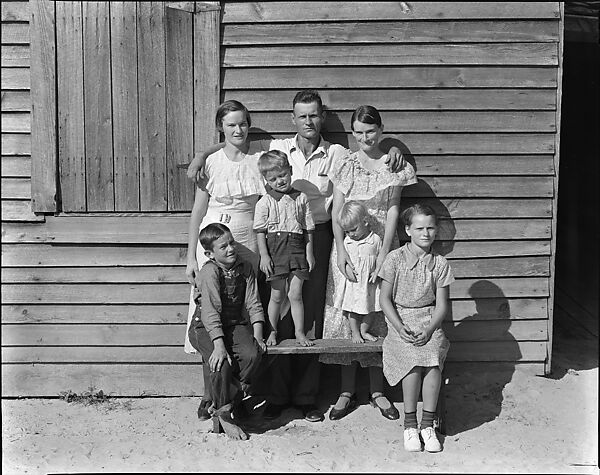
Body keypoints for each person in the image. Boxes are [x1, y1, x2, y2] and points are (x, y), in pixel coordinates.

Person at [187, 90, 407, 422]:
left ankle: (306, 397)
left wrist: (393, 150)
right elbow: (234, 143)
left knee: (311, 314)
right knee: (277, 310)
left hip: (315, 236)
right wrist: (202, 154)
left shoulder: (336, 153)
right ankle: (275, 395)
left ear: (322, 118)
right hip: (274, 240)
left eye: (314, 115)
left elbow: (370, 153)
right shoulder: (275, 148)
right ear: (293, 119)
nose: (308, 121)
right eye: (302, 115)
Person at [321, 105, 417, 422]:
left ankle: (378, 391)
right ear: (352, 133)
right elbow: (336, 212)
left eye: (371, 131)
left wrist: (385, 253)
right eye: (359, 133)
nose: (365, 138)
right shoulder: (346, 164)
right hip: (349, 250)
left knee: (377, 316)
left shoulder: (393, 164)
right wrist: (341, 251)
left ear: (381, 129)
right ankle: (346, 391)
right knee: (348, 313)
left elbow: (392, 210)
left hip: (381, 249)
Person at [183, 100, 268, 419]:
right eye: (231, 124)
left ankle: (233, 393)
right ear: (221, 126)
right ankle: (211, 396)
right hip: (214, 236)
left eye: (243, 123)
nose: (238, 129)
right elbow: (197, 212)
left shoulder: (259, 159)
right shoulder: (212, 163)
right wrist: (191, 255)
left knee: (240, 315)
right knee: (211, 317)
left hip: (247, 237)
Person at [379, 203, 454, 453]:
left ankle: (427, 425)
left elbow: (442, 306)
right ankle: (409, 425)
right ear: (407, 230)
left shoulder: (440, 264)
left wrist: (431, 329)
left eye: (431, 228)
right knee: (412, 360)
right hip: (400, 320)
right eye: (420, 228)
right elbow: (384, 299)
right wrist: (399, 327)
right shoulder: (395, 259)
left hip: (429, 320)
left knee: (432, 359)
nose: (426, 233)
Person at [187, 223, 267, 441]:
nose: (231, 248)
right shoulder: (209, 272)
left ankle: (228, 401)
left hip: (233, 324)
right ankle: (225, 415)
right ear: (210, 253)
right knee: (221, 363)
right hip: (205, 327)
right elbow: (210, 311)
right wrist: (219, 346)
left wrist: (258, 336)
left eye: (232, 243)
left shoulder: (245, 268)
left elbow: (253, 303)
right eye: (224, 247)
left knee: (252, 355)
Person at [253, 150, 316, 347]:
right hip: (276, 250)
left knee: (296, 294)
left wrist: (309, 253)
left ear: (290, 171)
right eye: (273, 179)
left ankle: (299, 333)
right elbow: (260, 231)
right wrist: (264, 255)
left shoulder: (301, 197)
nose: (279, 181)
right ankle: (272, 332)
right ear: (266, 180)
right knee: (277, 295)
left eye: (282, 175)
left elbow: (308, 228)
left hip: (297, 249)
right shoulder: (265, 202)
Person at [335, 201, 382, 343]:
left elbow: (381, 258)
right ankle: (355, 333)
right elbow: (344, 261)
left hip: (370, 282)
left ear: (365, 222)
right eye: (347, 231)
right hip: (354, 282)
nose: (351, 234)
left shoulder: (375, 240)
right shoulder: (347, 242)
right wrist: (348, 271)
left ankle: (364, 330)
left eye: (354, 229)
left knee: (371, 308)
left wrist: (377, 273)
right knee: (353, 309)